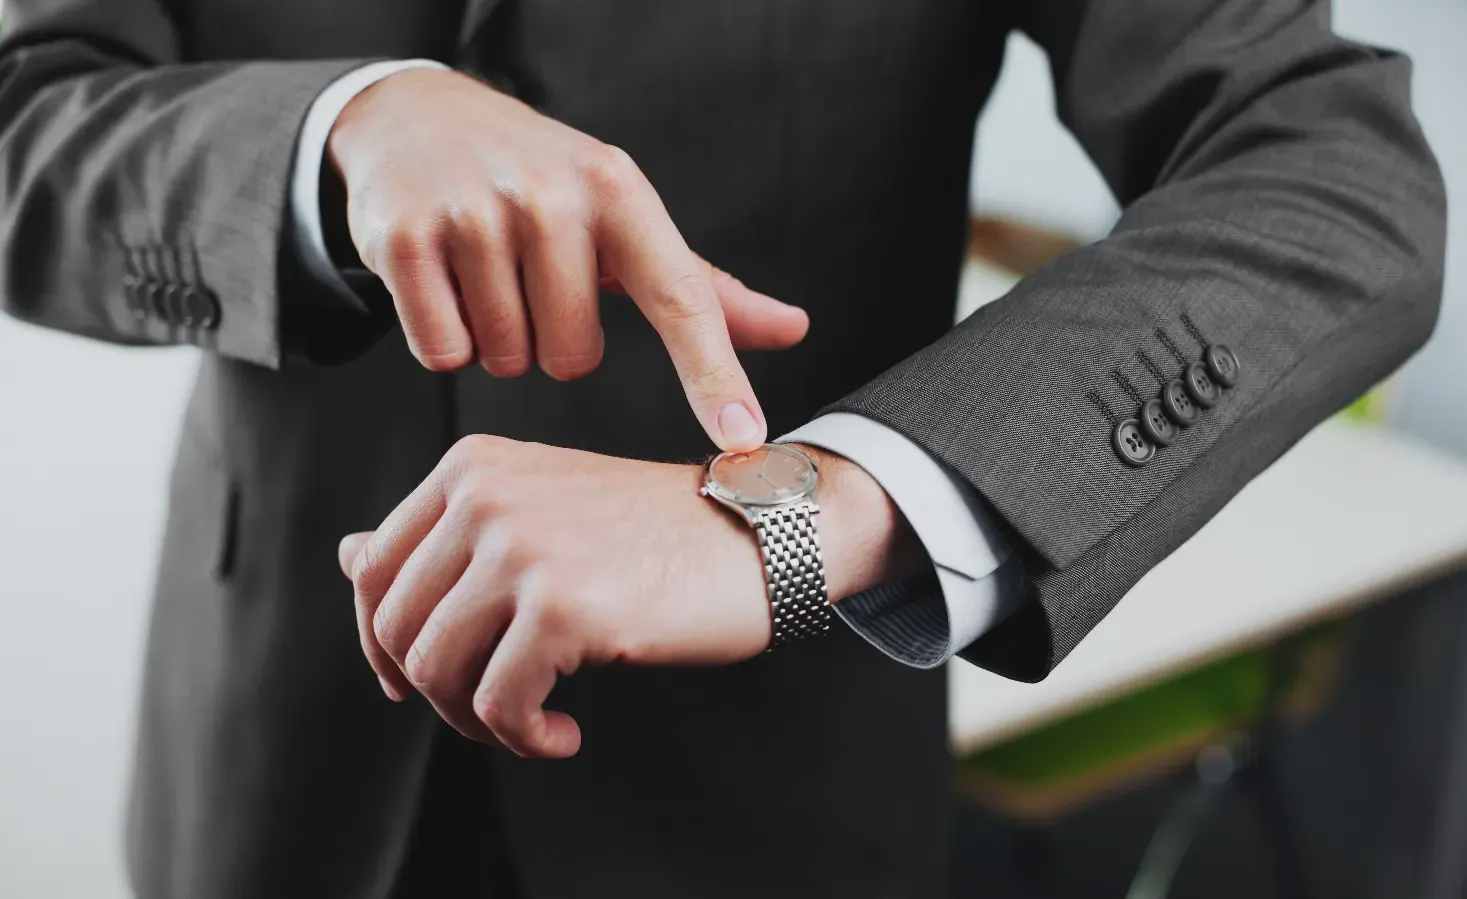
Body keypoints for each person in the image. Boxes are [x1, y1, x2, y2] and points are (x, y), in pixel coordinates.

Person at [0, 0, 1445, 896]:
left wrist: (808, 514)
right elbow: (29, 110)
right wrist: (331, 133)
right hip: (273, 741)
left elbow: (1333, 171)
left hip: (766, 785)